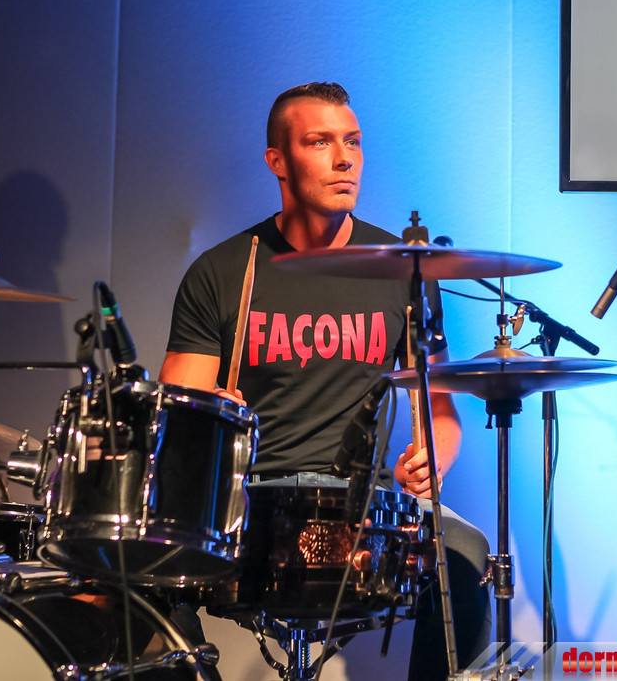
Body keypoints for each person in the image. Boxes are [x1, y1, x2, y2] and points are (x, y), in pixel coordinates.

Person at [160, 82, 491, 680]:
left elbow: (439, 410)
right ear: (278, 161)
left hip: (364, 509)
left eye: (353, 142)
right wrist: (210, 421)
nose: (344, 159)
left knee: (465, 556)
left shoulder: (404, 270)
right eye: (320, 142)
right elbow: (176, 420)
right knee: (146, 570)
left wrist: (432, 459)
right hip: (249, 506)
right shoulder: (223, 271)